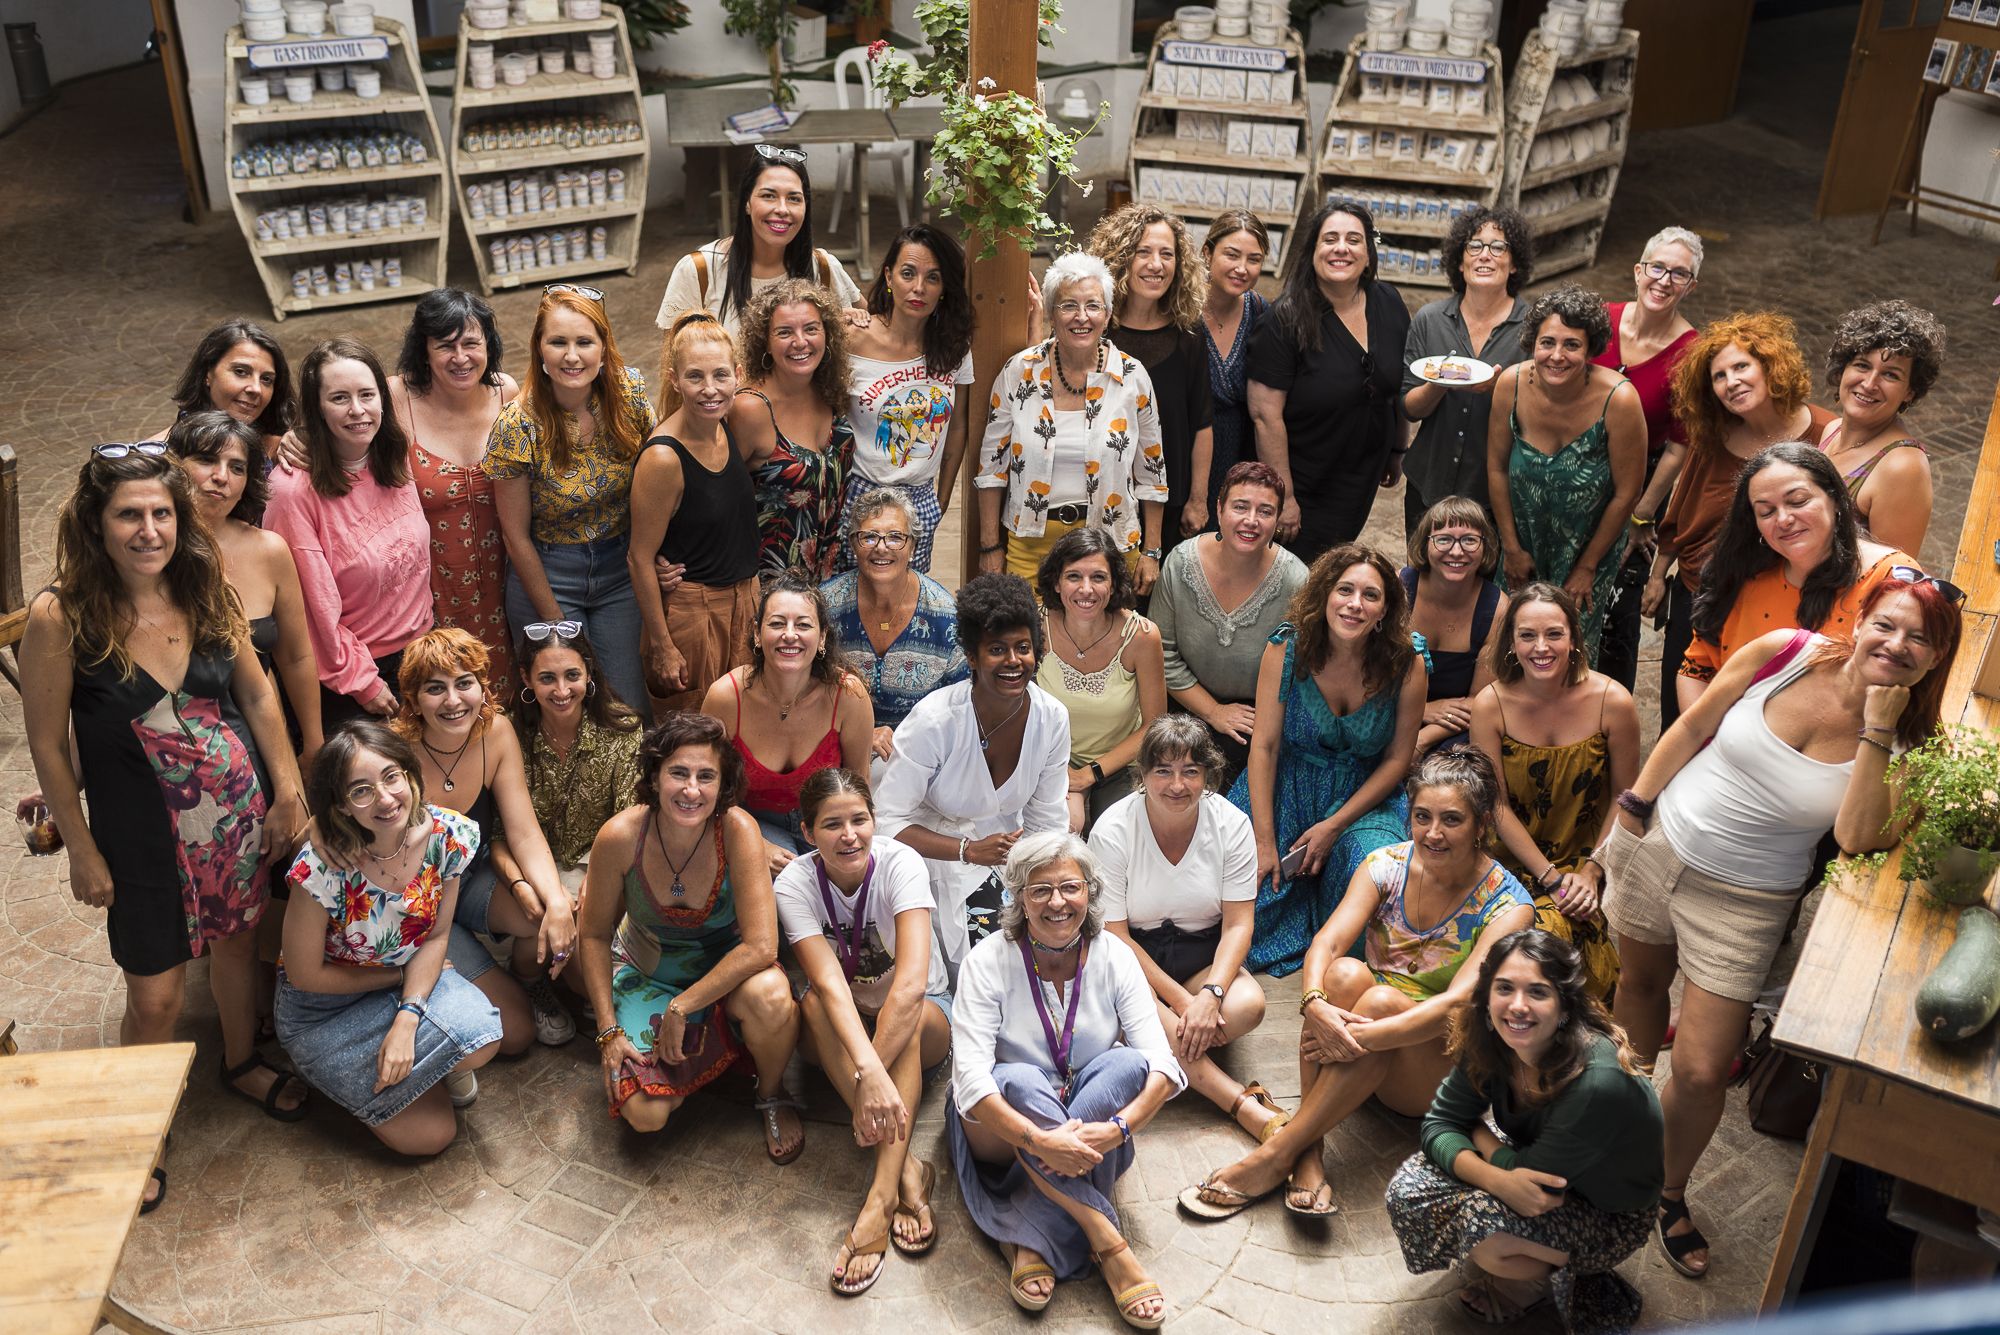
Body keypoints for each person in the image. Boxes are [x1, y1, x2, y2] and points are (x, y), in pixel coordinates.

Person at [1603, 575, 1961, 1279]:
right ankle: (1620, 1138)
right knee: (1638, 992)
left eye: (1919, 638)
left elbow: (1857, 835)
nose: (1896, 644)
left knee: (1705, 1069)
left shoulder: (1920, 745)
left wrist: (1879, 727)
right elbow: (1696, 722)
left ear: (1935, 658)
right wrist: (1634, 806)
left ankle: (1665, 1192)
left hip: (1746, 899)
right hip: (1663, 841)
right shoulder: (1784, 650)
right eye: (1886, 624)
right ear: (1859, 621)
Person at [21, 444, 311, 1209]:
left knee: (239, 948)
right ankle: (136, 1131)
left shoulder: (204, 583)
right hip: (142, 835)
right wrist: (80, 848)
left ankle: (241, 1060)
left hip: (237, 821)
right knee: (153, 997)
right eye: (129, 514)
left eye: (162, 513)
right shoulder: (62, 615)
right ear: (96, 521)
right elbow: (49, 744)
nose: (149, 530)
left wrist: (287, 788)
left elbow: (257, 692)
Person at [1183, 748, 1535, 1220]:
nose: (1433, 833)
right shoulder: (1385, 864)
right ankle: (1309, 1153)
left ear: (1481, 823)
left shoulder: (1508, 905)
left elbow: (1458, 1004)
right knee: (1343, 975)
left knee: (1382, 1000)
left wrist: (1359, 1034)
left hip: (1438, 1064)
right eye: (1422, 817)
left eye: (1452, 820)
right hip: (1360, 1043)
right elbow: (1325, 943)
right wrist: (1314, 1004)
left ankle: (1274, 1155)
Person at [950, 832, 1184, 1327]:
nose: (1058, 902)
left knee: (1127, 1065)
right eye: (1040, 890)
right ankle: (1106, 1237)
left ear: (1090, 891)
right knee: (1015, 1079)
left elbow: (1164, 1066)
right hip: (1006, 1127)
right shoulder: (987, 960)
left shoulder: (1115, 955)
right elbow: (970, 1082)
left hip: (1094, 1129)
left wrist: (1118, 1128)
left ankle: (1028, 1232)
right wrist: (1039, 1139)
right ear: (1019, 897)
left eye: (1070, 887)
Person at [1387, 929, 1663, 1332]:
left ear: (1565, 1006)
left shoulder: (1597, 1081)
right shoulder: (1490, 1037)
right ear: (1487, 997)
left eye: (1537, 992)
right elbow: (1438, 1124)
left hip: (1609, 1213)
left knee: (1486, 1235)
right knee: (1407, 1188)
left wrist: (1479, 1136)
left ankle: (1538, 1281)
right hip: (1533, 1167)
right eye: (1504, 988)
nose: (1517, 1006)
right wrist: (1498, 1179)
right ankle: (1532, 1253)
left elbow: (1537, 1191)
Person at [578, 712, 804, 1160]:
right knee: (646, 1116)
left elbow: (762, 945)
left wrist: (685, 1005)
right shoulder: (620, 837)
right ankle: (714, 1059)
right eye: (678, 773)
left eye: (706, 776)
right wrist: (607, 1031)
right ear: (654, 776)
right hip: (647, 978)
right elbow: (594, 937)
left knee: (774, 998)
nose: (691, 790)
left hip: (726, 977)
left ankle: (771, 1093)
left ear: (723, 786)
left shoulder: (738, 830)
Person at [276, 723, 500, 1154]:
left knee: (483, 1032)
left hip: (406, 982)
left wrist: (408, 1016)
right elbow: (304, 976)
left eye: (392, 776)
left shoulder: (446, 835)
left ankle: (423, 1067)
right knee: (432, 1137)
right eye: (361, 790)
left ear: (411, 776)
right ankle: (347, 1073)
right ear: (341, 805)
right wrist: (396, 978)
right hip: (323, 1008)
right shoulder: (321, 868)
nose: (385, 798)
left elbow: (436, 939)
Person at [775, 769, 952, 1295]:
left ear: (875, 822)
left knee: (908, 1020)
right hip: (844, 1022)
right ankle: (906, 1174)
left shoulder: (902, 864)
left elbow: (913, 984)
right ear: (808, 833)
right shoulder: (794, 883)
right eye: (832, 824)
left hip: (922, 1015)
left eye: (859, 819)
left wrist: (868, 1073)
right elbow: (829, 983)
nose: (849, 834)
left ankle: (878, 1199)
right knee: (810, 1004)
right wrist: (870, 1071)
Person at [1228, 543, 1428, 976]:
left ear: (1385, 610)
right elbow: (1263, 746)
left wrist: (1334, 827)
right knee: (1251, 907)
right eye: (1345, 590)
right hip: (1287, 786)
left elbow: (1398, 760)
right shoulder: (1286, 649)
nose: (1355, 605)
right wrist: (1264, 842)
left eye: (1371, 596)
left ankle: (1343, 966)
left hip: (1364, 798)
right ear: (1324, 595)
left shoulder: (1407, 662)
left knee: (1371, 872)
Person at [874, 573, 1072, 974]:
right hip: (918, 853)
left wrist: (1034, 887)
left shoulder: (1052, 718)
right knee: (935, 975)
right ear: (972, 658)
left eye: (1023, 648)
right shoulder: (935, 719)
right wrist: (967, 851)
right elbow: (887, 823)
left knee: (1033, 955)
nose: (1013, 661)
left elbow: (1047, 821)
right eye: (997, 649)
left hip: (1004, 853)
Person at [1092, 716, 1276, 1140]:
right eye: (1163, 771)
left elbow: (1238, 924)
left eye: (1190, 771)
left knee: (1247, 1005)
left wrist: (1209, 995)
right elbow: (1115, 935)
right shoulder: (1114, 828)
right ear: (1142, 775)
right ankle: (1238, 1102)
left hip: (1201, 952)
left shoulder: (1232, 825)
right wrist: (1180, 1002)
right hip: (1132, 957)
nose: (1177, 784)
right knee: (1160, 1018)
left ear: (1207, 775)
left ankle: (1151, 1042)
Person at [1648, 314, 1834, 731]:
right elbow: (1684, 504)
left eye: (1741, 367)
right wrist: (1660, 573)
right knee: (1680, 721)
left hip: (1777, 608)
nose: (1730, 382)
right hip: (1700, 597)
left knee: (1753, 723)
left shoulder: (1826, 435)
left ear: (1770, 367)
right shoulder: (1714, 436)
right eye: (1719, 376)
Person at [393, 629, 570, 1052]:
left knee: (544, 910)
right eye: (436, 689)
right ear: (414, 701)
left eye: (464, 683)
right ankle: (443, 982)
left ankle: (525, 981)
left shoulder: (497, 733)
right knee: (516, 1036)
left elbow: (524, 831)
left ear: (482, 688)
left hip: (470, 881)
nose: (454, 701)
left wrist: (558, 899)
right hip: (412, 907)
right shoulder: (392, 749)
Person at [487, 283, 657, 719]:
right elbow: (515, 535)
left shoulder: (631, 395)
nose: (572, 356)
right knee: (565, 704)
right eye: (558, 342)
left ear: (604, 348)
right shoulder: (518, 424)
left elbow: (658, 481)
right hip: (547, 570)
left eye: (584, 342)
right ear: (539, 351)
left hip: (620, 568)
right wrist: (560, 628)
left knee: (625, 707)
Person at [1469, 584, 1638, 1000]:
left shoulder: (1612, 701)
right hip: (1510, 861)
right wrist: (1548, 877)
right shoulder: (1491, 704)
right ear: (1511, 642)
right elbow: (1496, 804)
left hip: (1590, 860)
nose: (1540, 647)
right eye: (1527, 635)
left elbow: (1628, 798)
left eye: (1554, 634)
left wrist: (1591, 873)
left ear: (1574, 640)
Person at [264, 337, 432, 731]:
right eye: (339, 398)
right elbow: (308, 611)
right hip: (354, 679)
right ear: (316, 408)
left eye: (367, 395)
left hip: (419, 657)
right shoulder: (292, 492)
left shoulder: (390, 455)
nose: (358, 410)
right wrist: (362, 681)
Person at [976, 251, 1167, 593]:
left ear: (1107, 315)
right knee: (1031, 641)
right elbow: (992, 469)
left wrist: (1152, 551)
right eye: (1068, 306)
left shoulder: (1132, 376)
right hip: (1031, 542)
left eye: (1093, 306)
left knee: (1105, 644)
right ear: (1050, 312)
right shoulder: (1018, 372)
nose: (1082, 317)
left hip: (1110, 544)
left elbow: (1152, 473)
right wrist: (990, 546)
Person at [1677, 443, 1911, 713]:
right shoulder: (1741, 573)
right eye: (1766, 512)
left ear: (1835, 498)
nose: (1784, 519)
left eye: (1798, 501)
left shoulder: (1891, 579)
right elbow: (1697, 670)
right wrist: (1705, 741)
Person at [1486, 286, 1646, 665]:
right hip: (1521, 548)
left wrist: (1587, 567)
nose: (1557, 356)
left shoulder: (1619, 400)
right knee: (1509, 647)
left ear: (1591, 350)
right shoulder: (1510, 383)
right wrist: (1511, 548)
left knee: (1567, 655)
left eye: (1572, 345)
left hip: (1586, 554)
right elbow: (1494, 467)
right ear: (1532, 344)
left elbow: (1627, 493)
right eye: (1547, 343)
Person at [1247, 199, 1410, 564]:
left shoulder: (1388, 302)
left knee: (1334, 562)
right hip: (1307, 481)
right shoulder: (1284, 320)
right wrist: (1283, 497)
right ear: (1313, 251)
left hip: (1361, 475)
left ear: (1368, 253)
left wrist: (1397, 449)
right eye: (1330, 239)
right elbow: (1265, 416)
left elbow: (1396, 386)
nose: (1341, 248)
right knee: (1299, 573)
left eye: (1354, 240)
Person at [166, 411, 323, 766]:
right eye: (206, 460)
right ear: (175, 465)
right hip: (175, 747)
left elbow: (296, 656)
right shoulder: (149, 553)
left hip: (262, 737)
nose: (221, 477)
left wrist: (313, 743)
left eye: (236, 468)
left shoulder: (269, 550)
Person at [628, 312, 761, 715]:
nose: (710, 390)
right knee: (694, 726)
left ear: (738, 374)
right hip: (695, 612)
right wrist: (662, 644)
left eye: (721, 375)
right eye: (695, 377)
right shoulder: (664, 458)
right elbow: (639, 557)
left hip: (744, 601)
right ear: (673, 379)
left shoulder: (727, 425)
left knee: (741, 721)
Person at [391, 288, 523, 687]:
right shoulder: (398, 397)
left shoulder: (507, 393)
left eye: (471, 343)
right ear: (424, 351)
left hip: (506, 583)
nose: (461, 358)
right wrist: (298, 439)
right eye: (445, 346)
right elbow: (342, 420)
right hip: (432, 592)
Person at [1591, 227, 1702, 694]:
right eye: (1657, 267)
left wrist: (1642, 514)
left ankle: (1605, 723)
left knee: (1616, 618)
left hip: (1639, 488)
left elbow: (1680, 445)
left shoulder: (1692, 353)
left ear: (1691, 286)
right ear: (1638, 271)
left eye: (1680, 274)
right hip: (1572, 475)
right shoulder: (1599, 320)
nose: (1665, 280)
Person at [1149, 461, 1308, 785]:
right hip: (1184, 703)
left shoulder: (1296, 580)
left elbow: (1302, 667)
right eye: (1240, 507)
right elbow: (1160, 652)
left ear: (1277, 520)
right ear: (1219, 509)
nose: (1251, 520)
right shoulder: (1180, 563)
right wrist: (1213, 711)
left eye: (1265, 511)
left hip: (1259, 716)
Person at [702, 573, 875, 870]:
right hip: (752, 820)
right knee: (785, 887)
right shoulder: (726, 697)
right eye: (777, 623)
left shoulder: (848, 695)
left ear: (822, 638)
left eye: (803, 624)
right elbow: (706, 786)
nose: (790, 634)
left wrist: (846, 844)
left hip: (829, 820)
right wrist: (755, 842)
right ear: (757, 634)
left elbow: (859, 784)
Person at [839, 223, 977, 575]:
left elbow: (958, 425)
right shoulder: (853, 338)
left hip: (919, 499)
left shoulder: (954, 347)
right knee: (848, 606)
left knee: (905, 609)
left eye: (933, 278)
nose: (919, 288)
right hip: (860, 494)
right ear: (888, 276)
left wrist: (941, 498)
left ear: (945, 287)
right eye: (907, 273)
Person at [653, 144, 864, 354]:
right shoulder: (698, 271)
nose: (782, 209)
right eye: (768, 196)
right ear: (746, 202)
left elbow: (877, 325)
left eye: (793, 198)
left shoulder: (823, 267)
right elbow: (676, 364)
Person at [1088, 203, 1214, 551]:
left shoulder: (1189, 334)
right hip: (1102, 497)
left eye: (1167, 254)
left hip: (1169, 501)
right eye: (1143, 252)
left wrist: (1198, 500)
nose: (1156, 265)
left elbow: (1202, 423)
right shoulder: (1093, 330)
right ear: (1120, 257)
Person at [1398, 206, 1533, 527]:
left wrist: (1499, 390)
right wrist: (1439, 383)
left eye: (1498, 247)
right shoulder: (1430, 319)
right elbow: (1409, 408)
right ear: (1460, 262)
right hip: (1429, 481)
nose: (1485, 255)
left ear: (1514, 265)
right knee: (1421, 575)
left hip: (1495, 492)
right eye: (1475, 246)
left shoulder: (1533, 327)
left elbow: (1543, 413)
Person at [820, 487, 968, 760]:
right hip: (837, 750)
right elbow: (803, 693)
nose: (882, 547)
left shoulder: (945, 616)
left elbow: (961, 707)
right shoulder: (825, 606)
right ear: (853, 545)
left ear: (912, 547)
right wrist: (860, 734)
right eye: (869, 536)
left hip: (923, 758)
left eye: (895, 537)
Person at [1036, 527, 1167, 834]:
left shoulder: (1142, 637)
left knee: (1117, 833)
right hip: (1048, 760)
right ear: (1056, 582)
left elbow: (1155, 724)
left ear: (1113, 584)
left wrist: (1088, 776)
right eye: (1073, 577)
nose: (1086, 589)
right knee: (1058, 833)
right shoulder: (1035, 627)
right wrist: (1062, 774)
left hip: (1121, 766)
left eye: (1098, 577)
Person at [732, 277, 856, 583]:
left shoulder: (829, 390)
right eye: (784, 332)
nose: (800, 342)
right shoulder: (750, 409)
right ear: (765, 341)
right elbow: (713, 498)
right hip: (769, 589)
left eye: (811, 329)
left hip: (828, 580)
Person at [513, 624, 643, 894]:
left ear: (588, 672)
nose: (562, 691)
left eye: (572, 675)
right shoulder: (510, 732)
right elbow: (501, 832)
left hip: (602, 860)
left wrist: (596, 881)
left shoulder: (623, 729)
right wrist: (522, 889)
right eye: (547, 678)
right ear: (527, 679)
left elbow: (630, 819)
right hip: (533, 866)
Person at [1816, 299, 1948, 558]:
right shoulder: (1832, 429)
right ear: (1843, 369)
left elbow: (1891, 578)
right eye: (1862, 365)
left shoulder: (1901, 467)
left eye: (1891, 375)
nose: (1869, 383)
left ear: (1910, 391)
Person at [1401, 497, 1508, 755]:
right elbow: (1370, 676)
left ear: (1486, 547)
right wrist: (1423, 710)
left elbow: (1479, 701)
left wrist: (1423, 739)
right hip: (1392, 712)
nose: (1457, 552)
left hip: (1454, 728)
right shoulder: (1400, 589)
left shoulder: (1497, 609)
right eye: (1444, 539)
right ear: (1425, 544)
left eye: (1469, 540)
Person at [1197, 210, 1271, 520]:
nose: (1242, 268)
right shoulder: (1182, 313)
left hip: (1240, 461)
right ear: (1207, 253)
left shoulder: (1259, 311)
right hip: (1191, 462)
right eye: (1231, 255)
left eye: (1253, 259)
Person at [148, 317, 295, 452]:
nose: (256, 389)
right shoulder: (157, 455)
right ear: (207, 373)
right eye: (241, 372)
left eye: (266, 379)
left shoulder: (284, 450)